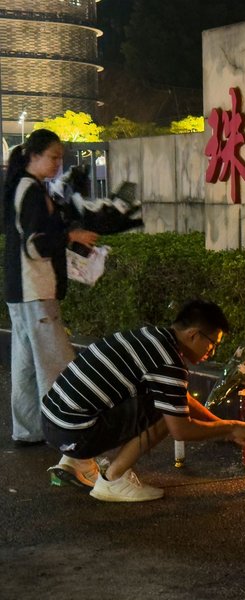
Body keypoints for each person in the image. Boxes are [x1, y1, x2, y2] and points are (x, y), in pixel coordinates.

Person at [42, 298, 245, 502]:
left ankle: (76, 461)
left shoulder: (152, 337)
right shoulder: (169, 361)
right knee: (164, 411)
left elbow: (180, 398)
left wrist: (222, 426)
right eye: (212, 344)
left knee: (165, 401)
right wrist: (230, 427)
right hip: (74, 433)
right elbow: (181, 430)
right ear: (193, 334)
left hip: (53, 423)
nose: (212, 353)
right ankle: (113, 479)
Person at [4, 128, 98, 444]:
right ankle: (68, 433)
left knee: (27, 365)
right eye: (54, 157)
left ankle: (28, 431)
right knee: (56, 364)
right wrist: (70, 236)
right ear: (34, 156)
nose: (59, 163)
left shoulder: (24, 186)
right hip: (36, 289)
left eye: (61, 158)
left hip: (21, 290)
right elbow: (36, 245)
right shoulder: (32, 191)